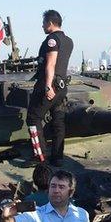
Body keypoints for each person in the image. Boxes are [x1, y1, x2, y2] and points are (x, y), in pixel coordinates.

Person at [27, 10, 73, 166]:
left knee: (33, 117)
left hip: (50, 84)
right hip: (62, 86)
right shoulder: (68, 40)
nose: (42, 26)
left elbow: (51, 64)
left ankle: (39, 156)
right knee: (58, 120)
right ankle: (58, 157)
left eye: (44, 23)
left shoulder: (51, 40)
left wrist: (47, 87)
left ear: (50, 23)